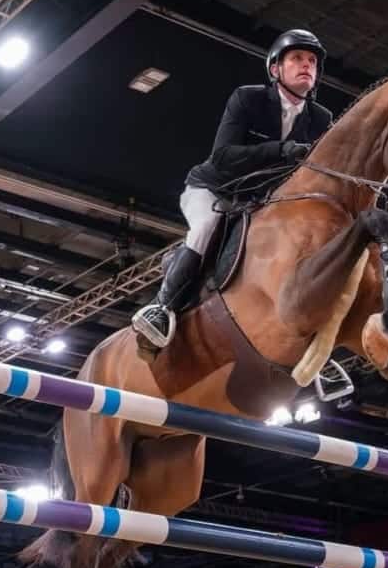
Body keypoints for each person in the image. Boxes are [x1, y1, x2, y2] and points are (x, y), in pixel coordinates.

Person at [133, 30, 337, 357]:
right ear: (275, 70)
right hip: (213, 188)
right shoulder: (247, 98)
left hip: (260, 202)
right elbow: (223, 156)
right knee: (207, 227)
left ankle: (315, 343)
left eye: (312, 61)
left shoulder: (321, 119)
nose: (307, 66)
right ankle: (161, 307)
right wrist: (283, 149)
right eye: (297, 58)